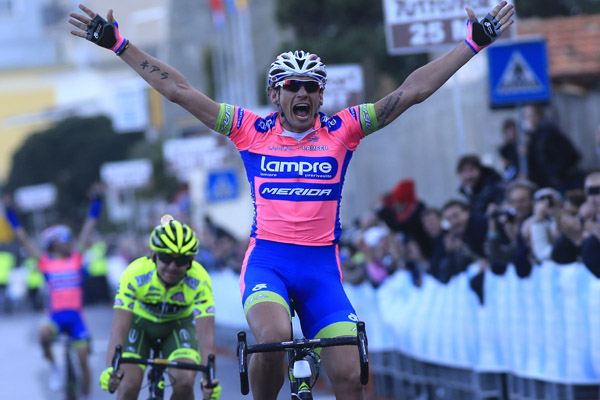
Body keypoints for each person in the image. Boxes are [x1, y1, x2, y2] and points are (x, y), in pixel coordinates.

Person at [69, 3, 514, 398]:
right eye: (292, 85)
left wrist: (472, 43)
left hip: (321, 268)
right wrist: (120, 45)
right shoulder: (249, 129)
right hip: (269, 262)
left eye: (311, 87)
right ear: (274, 94)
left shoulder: (343, 129)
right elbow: (180, 92)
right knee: (273, 339)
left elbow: (411, 91)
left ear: (321, 95)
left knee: (350, 375)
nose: (302, 93)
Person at [99, 215, 220, 400]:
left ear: (190, 262)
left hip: (178, 327)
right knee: (127, 386)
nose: (172, 267)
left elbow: (206, 337)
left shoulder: (200, 280)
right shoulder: (135, 274)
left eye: (181, 261)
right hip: (139, 326)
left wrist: (208, 380)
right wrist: (111, 370)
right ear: (153, 255)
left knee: (185, 382)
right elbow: (119, 329)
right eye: (166, 258)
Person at [3, 185, 104, 398]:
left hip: (76, 317)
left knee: (83, 359)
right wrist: (10, 213)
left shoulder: (76, 257)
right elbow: (23, 238)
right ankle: (55, 368)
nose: (70, 241)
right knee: (42, 333)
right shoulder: (45, 262)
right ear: (53, 244)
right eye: (65, 239)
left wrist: (97, 202)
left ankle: (86, 395)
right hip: (55, 316)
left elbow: (89, 227)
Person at [522, 104, 583, 193]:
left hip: (561, 182)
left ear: (538, 116)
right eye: (525, 116)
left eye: (529, 116)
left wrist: (555, 176)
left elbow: (564, 156)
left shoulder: (548, 133)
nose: (527, 119)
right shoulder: (536, 136)